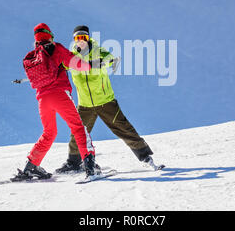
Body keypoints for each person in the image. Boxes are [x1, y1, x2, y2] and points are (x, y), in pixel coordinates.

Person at [56, 25, 162, 174]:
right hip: (85, 104)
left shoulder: (98, 51)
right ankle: (73, 163)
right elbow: (59, 66)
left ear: (88, 38)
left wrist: (107, 61)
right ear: (74, 40)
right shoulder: (71, 57)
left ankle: (145, 157)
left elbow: (110, 58)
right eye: (77, 38)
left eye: (83, 37)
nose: (81, 41)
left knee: (123, 128)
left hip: (105, 101)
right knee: (78, 133)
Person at [14, 23, 100, 181]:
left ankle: (30, 167)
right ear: (50, 35)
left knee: (49, 132)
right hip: (59, 94)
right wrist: (93, 65)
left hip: (42, 99)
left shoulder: (33, 56)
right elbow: (77, 64)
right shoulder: (56, 48)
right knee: (78, 128)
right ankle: (90, 168)